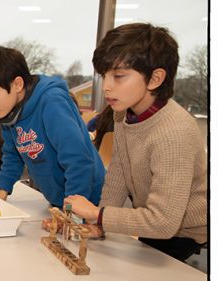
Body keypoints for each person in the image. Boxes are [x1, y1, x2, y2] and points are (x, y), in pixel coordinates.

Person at [64, 23, 207, 261]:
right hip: (153, 226)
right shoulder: (124, 113)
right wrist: (99, 223)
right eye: (104, 75)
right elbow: (119, 171)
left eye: (118, 76)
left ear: (155, 79)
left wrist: (98, 214)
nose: (107, 86)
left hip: (186, 237)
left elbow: (163, 222)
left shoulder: (174, 131)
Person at [0, 44, 106, 209]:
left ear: (17, 84)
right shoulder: (8, 112)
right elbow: (12, 153)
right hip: (59, 201)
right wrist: (2, 191)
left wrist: (72, 216)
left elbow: (78, 161)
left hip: (90, 201)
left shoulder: (52, 102)